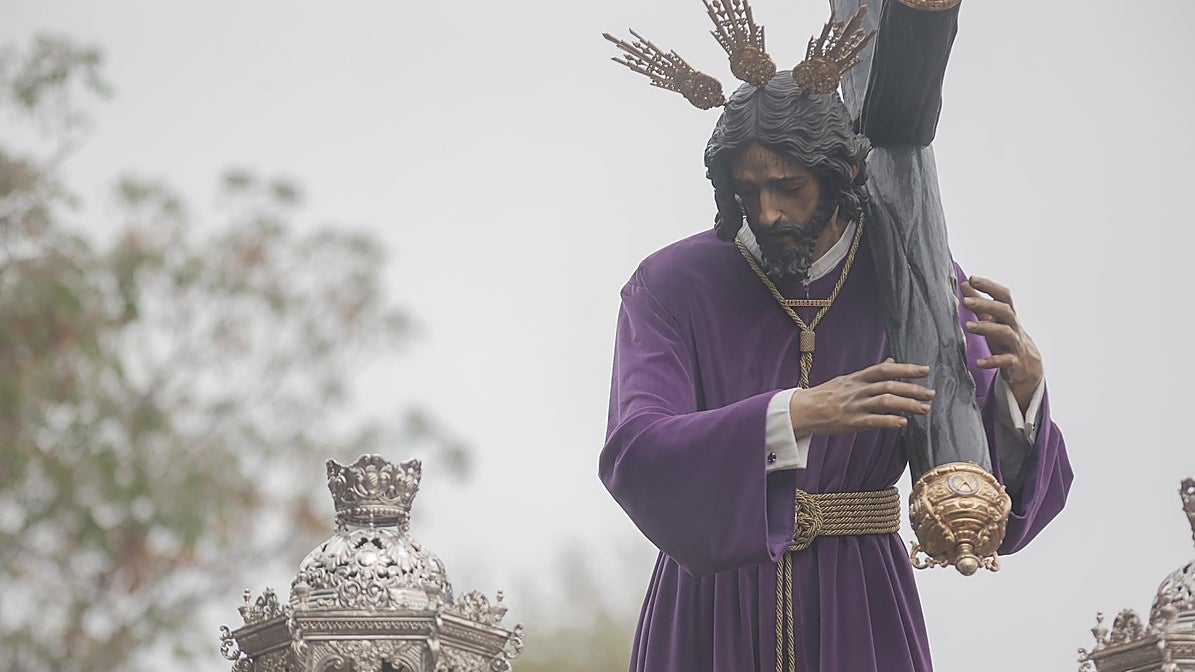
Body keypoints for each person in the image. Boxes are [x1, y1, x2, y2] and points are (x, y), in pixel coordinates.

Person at [599, 2, 1073, 671]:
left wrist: (1021, 392)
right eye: (748, 189)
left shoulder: (914, 277)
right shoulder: (673, 284)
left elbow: (983, 493)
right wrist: (797, 413)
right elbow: (636, 453)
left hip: (861, 599)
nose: (766, 210)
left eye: (787, 187)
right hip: (712, 604)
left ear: (844, 172)